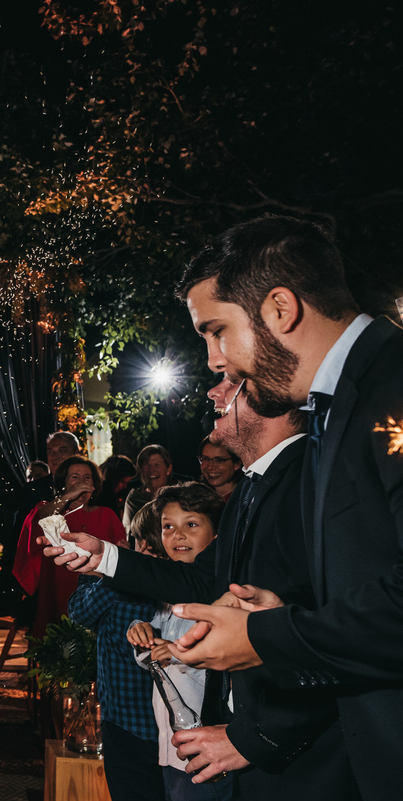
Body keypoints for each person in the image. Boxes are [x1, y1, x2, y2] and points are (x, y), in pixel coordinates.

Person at [163, 215, 401, 800]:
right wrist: (281, 615)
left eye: (216, 331)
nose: (214, 360)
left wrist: (270, 636)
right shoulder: (339, 406)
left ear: (279, 309)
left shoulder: (393, 385)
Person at [45, 378, 358, 798]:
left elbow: (342, 630)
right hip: (236, 740)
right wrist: (105, 557)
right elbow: (199, 580)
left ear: (276, 397)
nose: (214, 391)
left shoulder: (313, 480)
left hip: (303, 755)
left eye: (232, 379)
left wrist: (250, 737)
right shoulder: (251, 487)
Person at [126, 483, 233, 801]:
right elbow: (152, 658)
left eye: (191, 524)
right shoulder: (168, 592)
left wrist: (177, 654)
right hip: (174, 745)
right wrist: (141, 633)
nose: (178, 536)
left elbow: (227, 663)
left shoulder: (223, 594)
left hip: (210, 746)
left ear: (216, 535)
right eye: (168, 527)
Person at [67, 506, 161, 801]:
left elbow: (80, 613)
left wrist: (112, 570)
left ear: (141, 542)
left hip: (129, 722)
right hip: (153, 724)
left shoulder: (126, 582)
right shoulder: (185, 578)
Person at [13, 456, 125, 637]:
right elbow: (40, 518)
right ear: (63, 484)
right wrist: (67, 497)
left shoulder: (107, 515)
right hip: (57, 589)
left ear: (94, 485)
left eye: (87, 478)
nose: (82, 482)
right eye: (75, 477)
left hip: (96, 596)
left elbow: (120, 555)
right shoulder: (50, 511)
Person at [123, 445, 174, 529]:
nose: (151, 470)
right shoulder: (134, 498)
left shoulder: (178, 496)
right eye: (146, 465)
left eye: (157, 465)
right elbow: (130, 530)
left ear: (168, 469)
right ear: (140, 470)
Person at [197, 437, 242, 503]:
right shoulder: (195, 497)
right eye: (206, 459)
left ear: (237, 464)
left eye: (219, 460)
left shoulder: (247, 500)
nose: (210, 467)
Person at [95, 454, 138, 519]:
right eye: (122, 482)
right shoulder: (104, 499)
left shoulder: (120, 495)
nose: (125, 486)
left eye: (127, 483)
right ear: (114, 479)